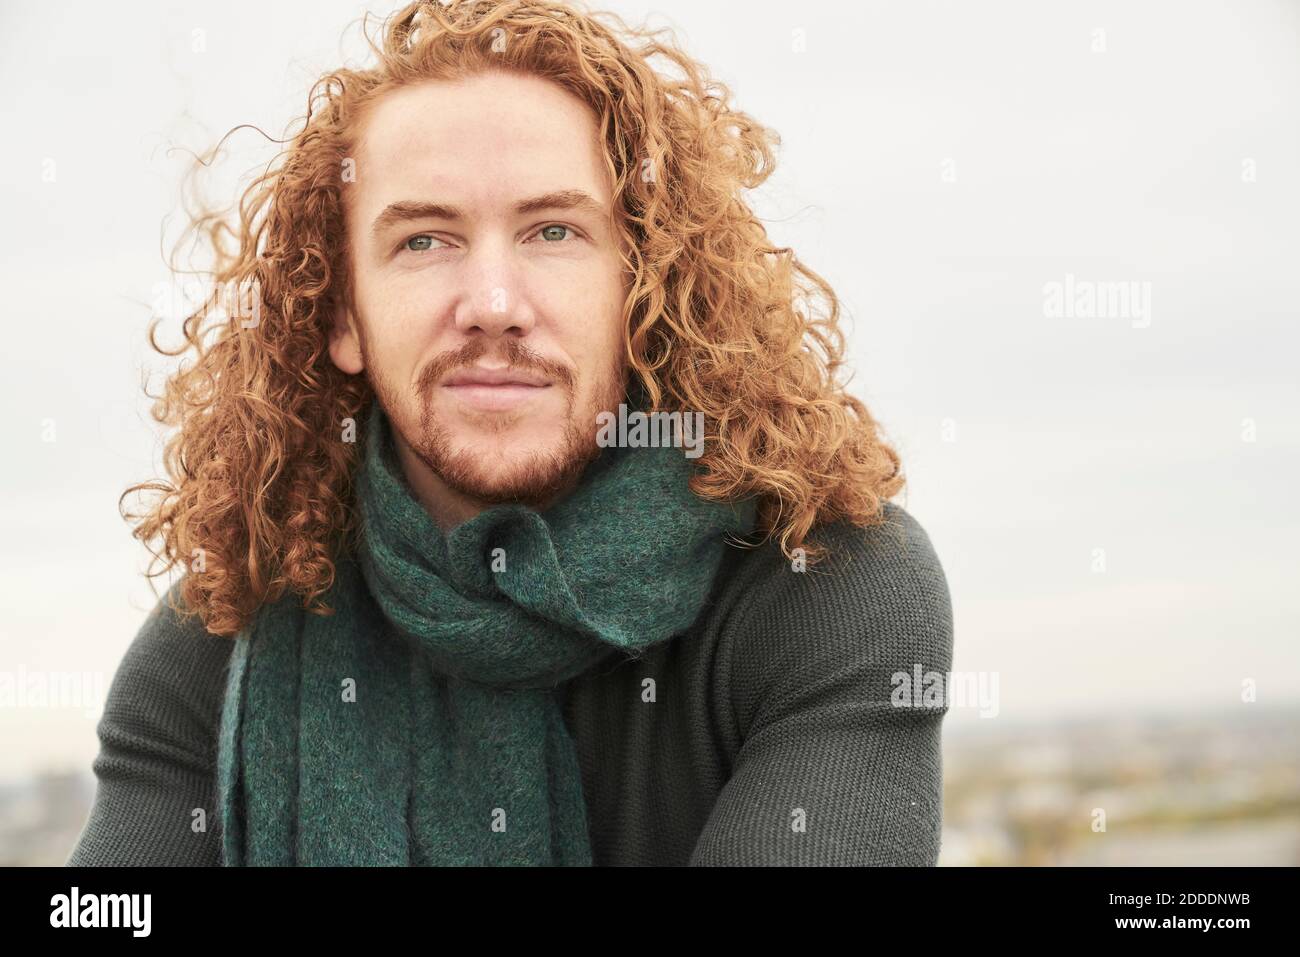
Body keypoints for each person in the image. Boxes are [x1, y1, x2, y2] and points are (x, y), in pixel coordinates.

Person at [66, 0, 952, 867]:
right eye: (424, 241)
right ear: (342, 314)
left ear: (642, 290)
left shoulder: (825, 581)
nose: (493, 304)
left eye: (553, 230)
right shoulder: (220, 633)